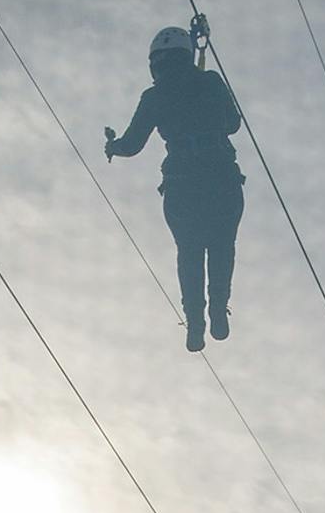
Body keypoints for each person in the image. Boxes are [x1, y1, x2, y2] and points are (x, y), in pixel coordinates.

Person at [104, 24, 245, 353]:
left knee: (190, 252)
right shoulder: (209, 82)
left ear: (156, 63)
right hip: (221, 175)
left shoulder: (154, 97)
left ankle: (195, 321)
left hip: (182, 183)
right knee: (222, 244)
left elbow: (133, 144)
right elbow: (233, 124)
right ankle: (217, 309)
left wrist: (113, 146)